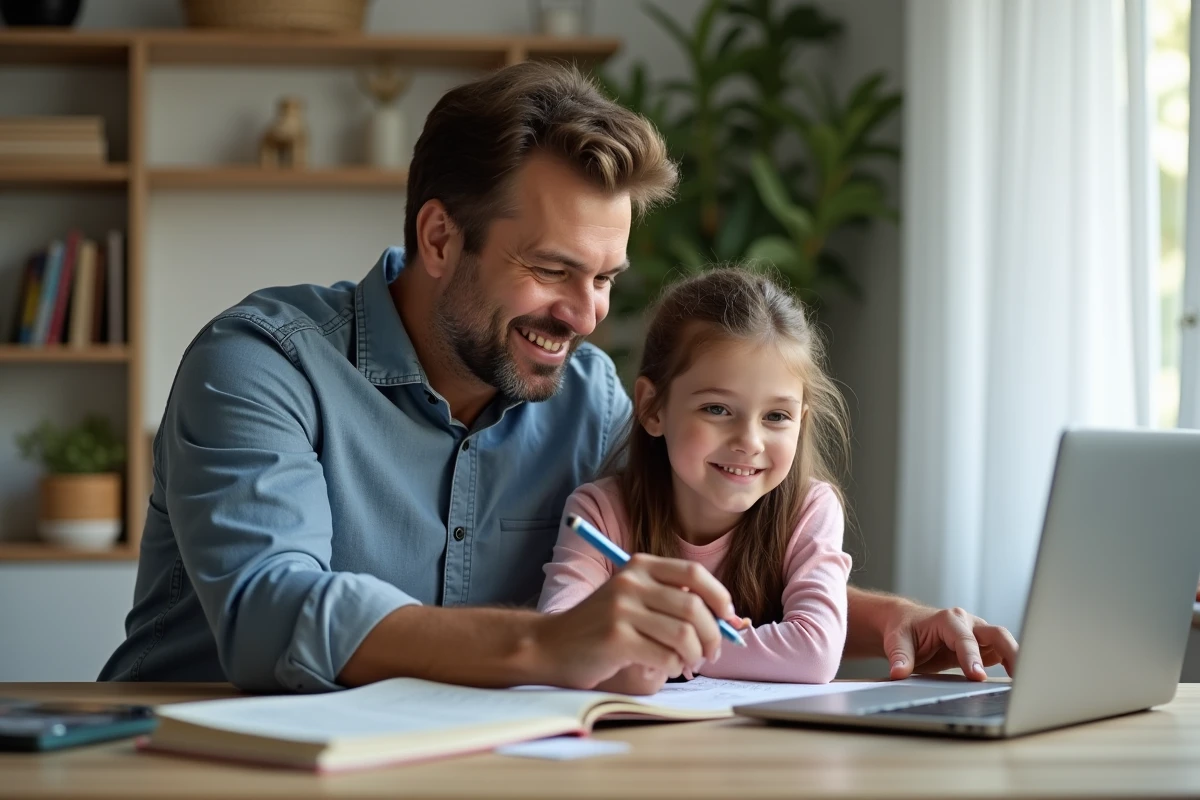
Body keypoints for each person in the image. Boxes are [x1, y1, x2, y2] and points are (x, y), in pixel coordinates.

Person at [99, 61, 1017, 693]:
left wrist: (883, 620)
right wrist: (550, 643)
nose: (585, 318)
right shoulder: (260, 364)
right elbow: (272, 617)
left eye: (605, 278)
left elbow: (697, 571)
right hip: (190, 760)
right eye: (551, 270)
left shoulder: (585, 398)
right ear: (438, 237)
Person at [540, 267, 853, 694]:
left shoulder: (810, 510)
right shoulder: (599, 512)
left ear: (801, 420)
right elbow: (558, 638)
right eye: (717, 410)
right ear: (653, 408)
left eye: (777, 416)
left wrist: (668, 643)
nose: (749, 441)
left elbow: (815, 651)